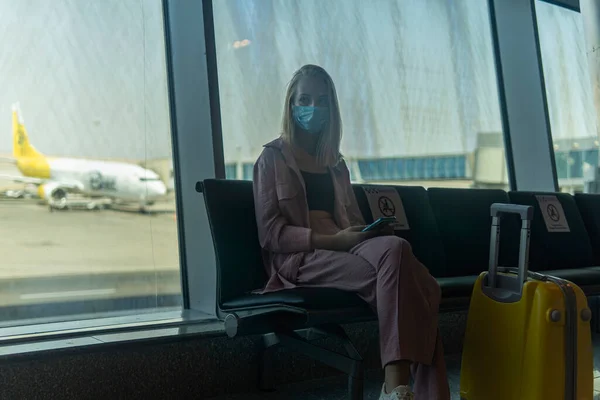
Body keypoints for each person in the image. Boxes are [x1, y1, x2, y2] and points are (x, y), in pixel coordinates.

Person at [252, 64, 450, 400]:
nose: (312, 108)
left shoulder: (336, 164)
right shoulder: (271, 160)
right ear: (291, 104)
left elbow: (351, 218)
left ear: (331, 109)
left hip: (346, 241)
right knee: (421, 287)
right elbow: (271, 235)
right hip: (301, 257)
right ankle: (403, 388)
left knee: (395, 249)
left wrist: (363, 231)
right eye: (305, 99)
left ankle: (396, 390)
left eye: (321, 101)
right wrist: (333, 240)